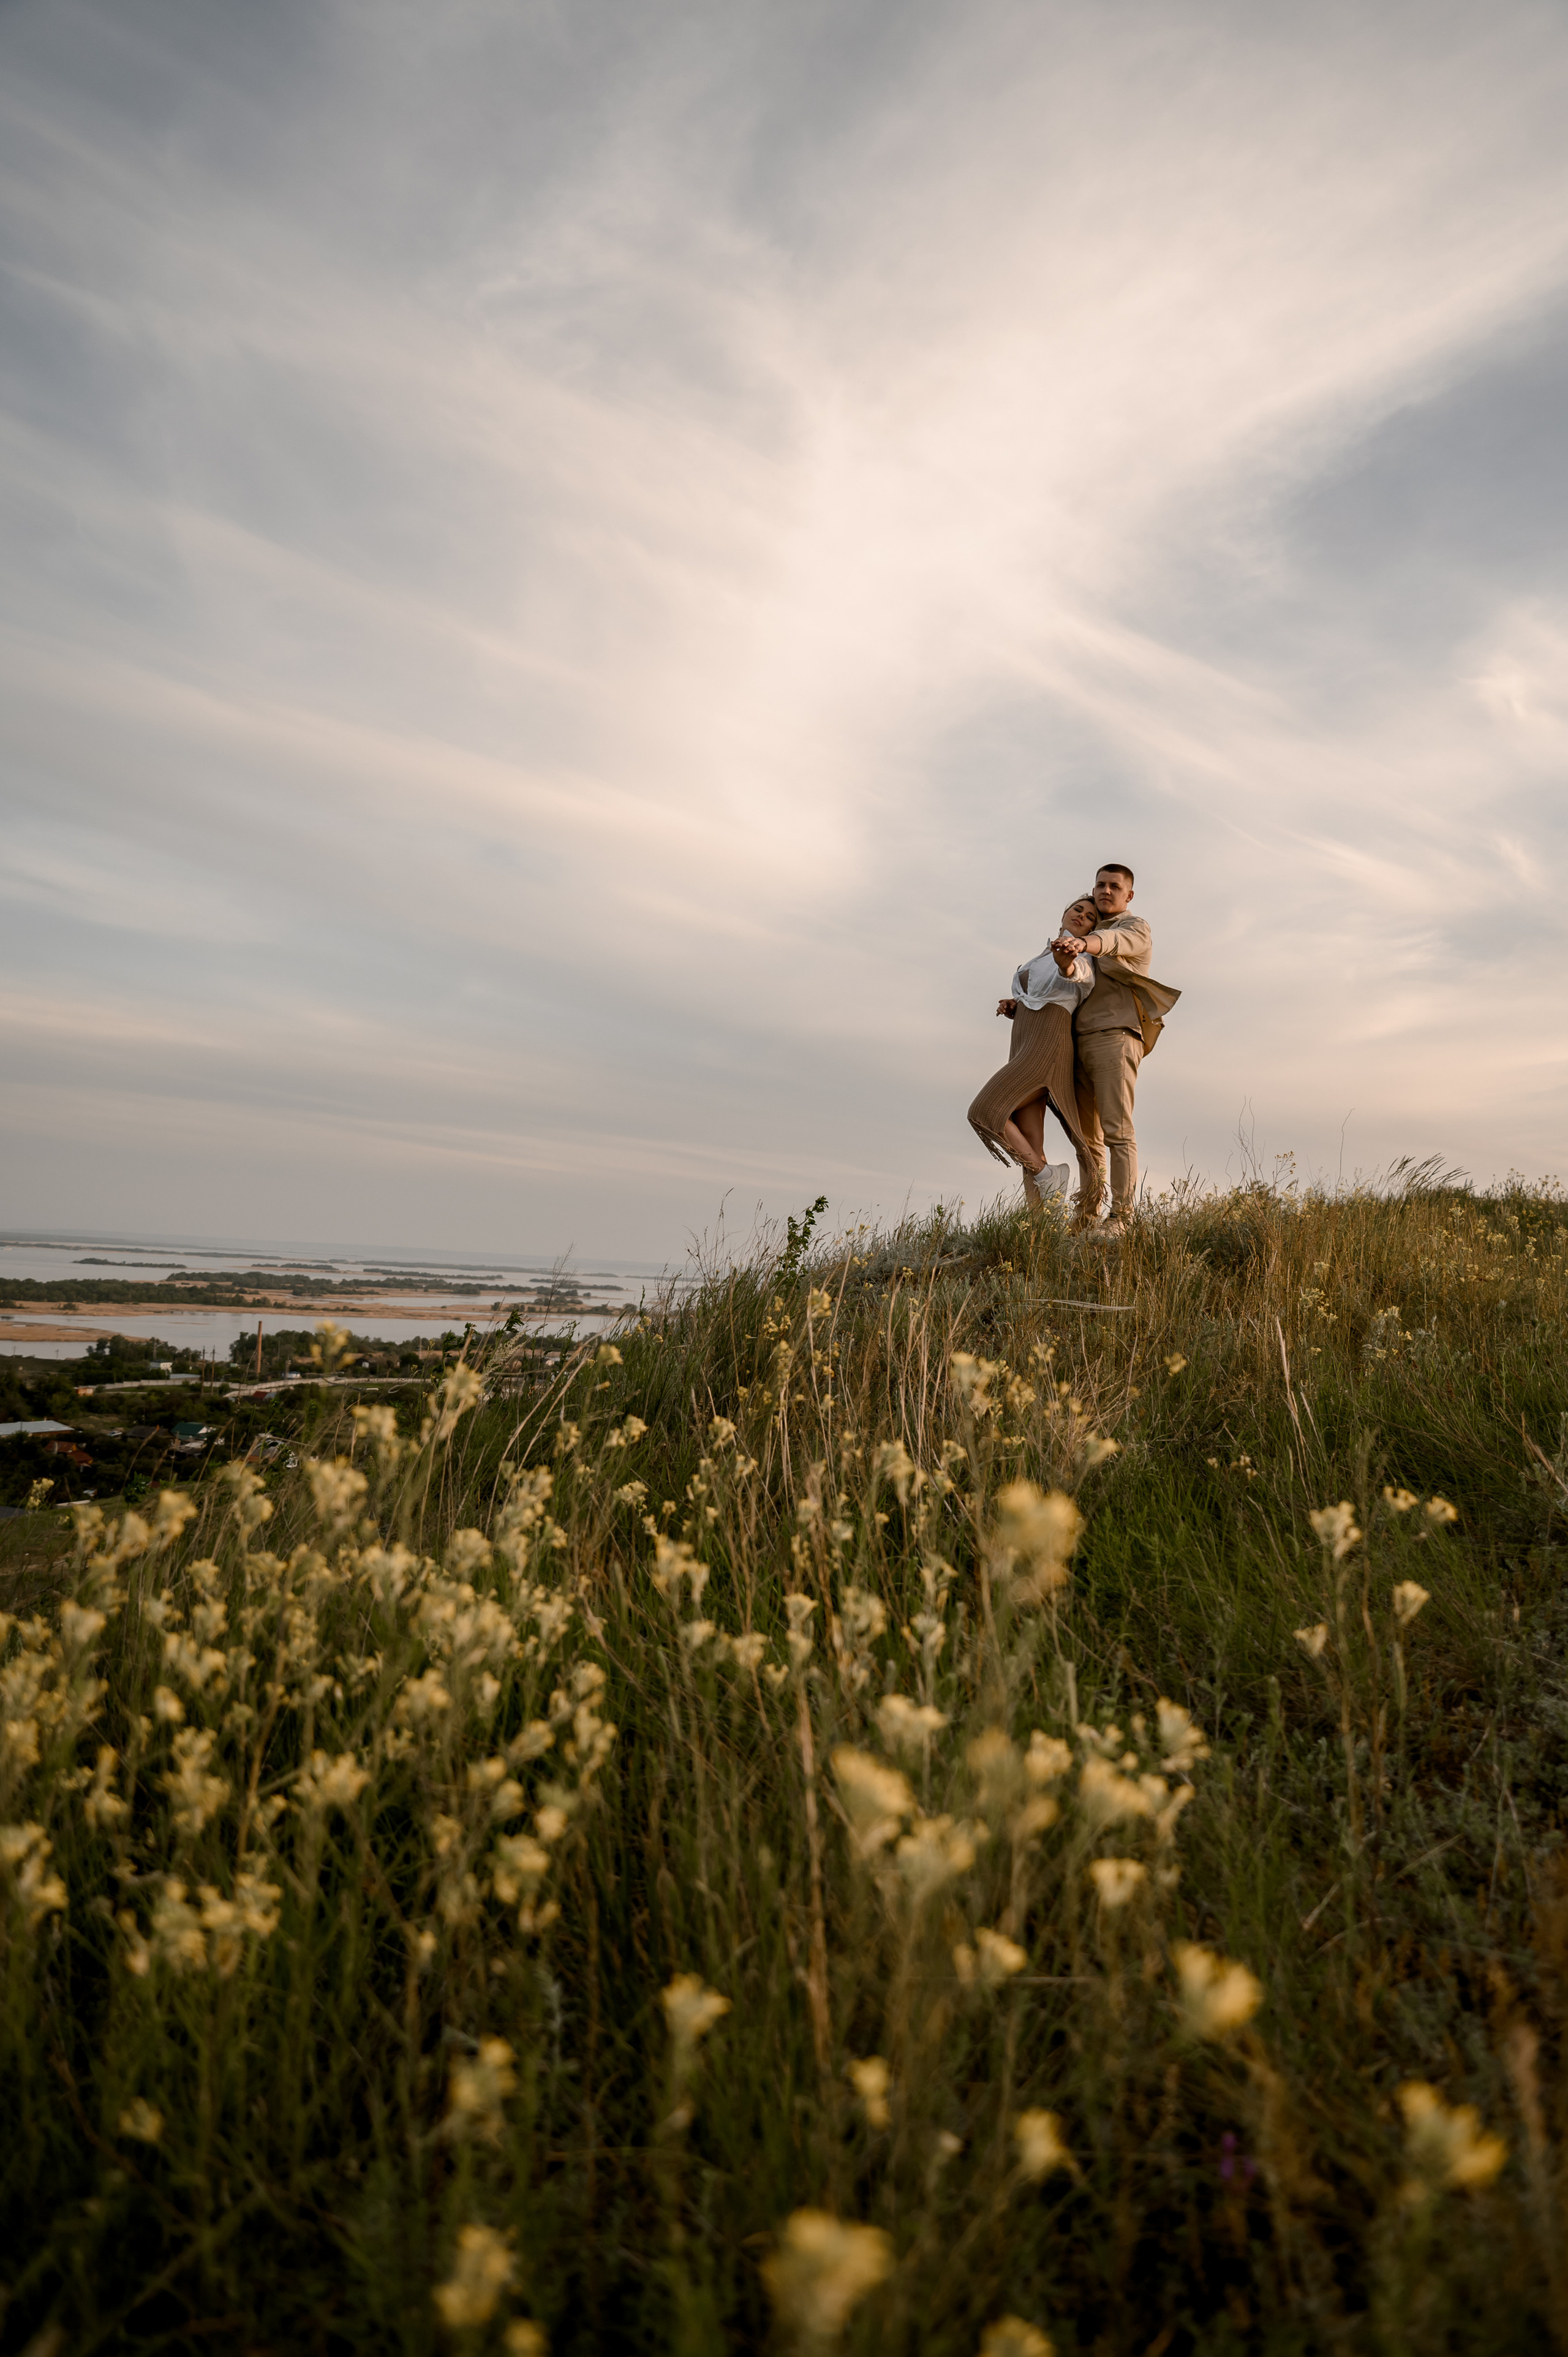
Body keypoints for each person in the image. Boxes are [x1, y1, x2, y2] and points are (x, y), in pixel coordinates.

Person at [1057, 862, 1180, 1235]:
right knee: (1085, 1138)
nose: (1105, 891)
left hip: (1116, 1035)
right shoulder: (1084, 928)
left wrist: (1085, 943)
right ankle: (1088, 1215)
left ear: (1129, 894)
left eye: (1114, 886)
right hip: (1076, 1041)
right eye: (1100, 885)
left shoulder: (1133, 928)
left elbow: (1112, 944)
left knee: (1118, 1131)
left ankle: (1122, 1217)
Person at [968, 895, 1101, 1206]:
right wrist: (1014, 1004)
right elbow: (1037, 994)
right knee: (1031, 1144)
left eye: (1091, 917)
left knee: (984, 1112)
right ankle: (1039, 1229)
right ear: (1065, 913)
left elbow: (1076, 975)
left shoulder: (1079, 955)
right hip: (1023, 1042)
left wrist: (1067, 962)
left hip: (1047, 1047)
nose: (1082, 916)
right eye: (1078, 910)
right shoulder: (1039, 957)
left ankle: (1047, 1175)